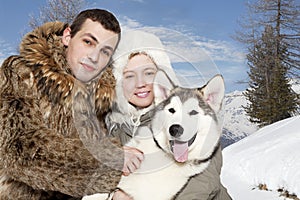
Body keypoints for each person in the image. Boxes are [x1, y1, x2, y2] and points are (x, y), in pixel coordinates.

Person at [0, 9, 142, 200]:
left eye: (105, 51)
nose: (94, 56)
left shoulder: (100, 98)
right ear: (67, 36)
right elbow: (18, 149)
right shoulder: (20, 71)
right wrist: (109, 159)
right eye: (88, 42)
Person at [105, 30, 232, 199]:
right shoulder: (114, 133)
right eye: (129, 76)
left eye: (149, 73)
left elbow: (200, 185)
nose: (141, 83)